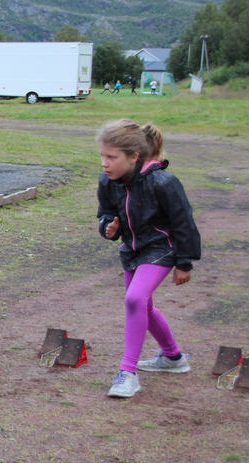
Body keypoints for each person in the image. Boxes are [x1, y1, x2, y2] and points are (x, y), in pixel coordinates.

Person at [96, 119, 201, 398]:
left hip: (162, 248)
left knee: (134, 299)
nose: (105, 163)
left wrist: (184, 262)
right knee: (143, 305)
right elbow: (106, 214)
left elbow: (184, 223)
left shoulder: (163, 181)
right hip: (133, 250)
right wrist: (109, 227)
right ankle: (173, 358)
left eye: (111, 157)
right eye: (102, 156)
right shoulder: (108, 182)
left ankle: (127, 372)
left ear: (133, 157)